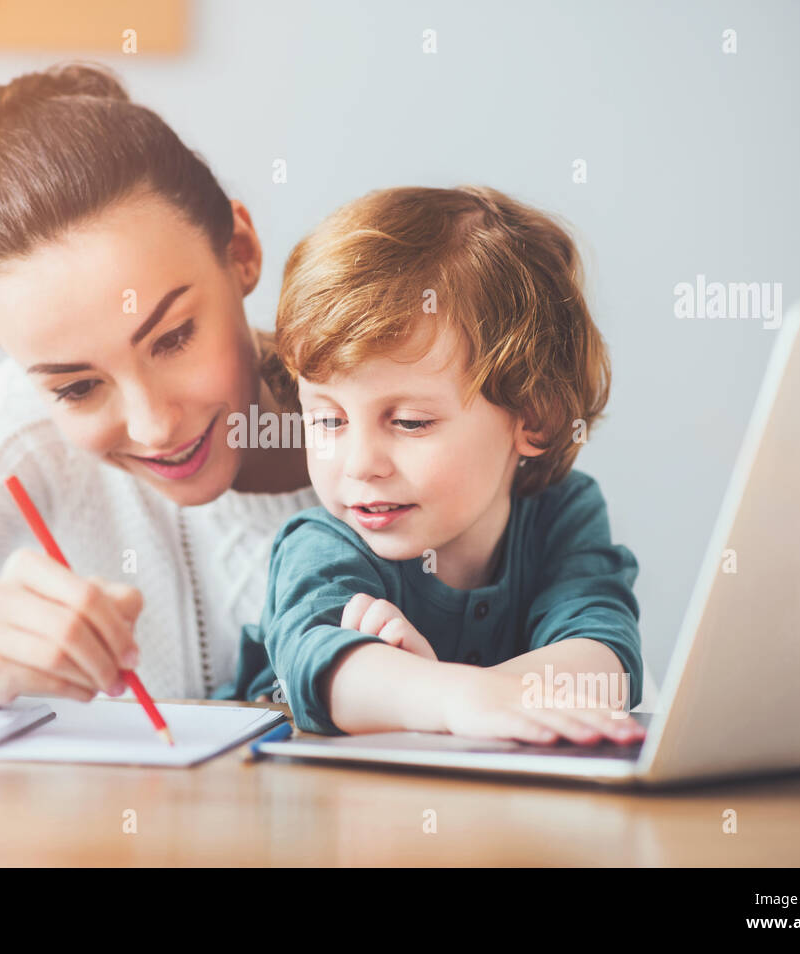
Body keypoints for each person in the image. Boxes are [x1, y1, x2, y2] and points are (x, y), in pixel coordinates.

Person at [0, 62, 315, 707]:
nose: (154, 426)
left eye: (172, 339)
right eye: (77, 389)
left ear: (241, 252)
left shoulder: (400, 410)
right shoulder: (18, 422)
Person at [216, 186, 648, 744]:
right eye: (328, 420)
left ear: (534, 418)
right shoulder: (325, 544)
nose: (360, 464)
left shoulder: (561, 513)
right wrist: (443, 696)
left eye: (410, 423)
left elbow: (606, 661)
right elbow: (322, 672)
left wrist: (450, 691)